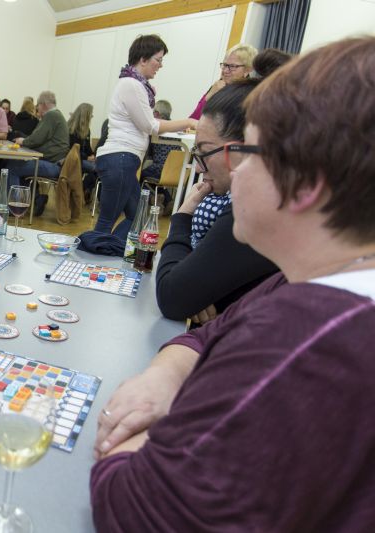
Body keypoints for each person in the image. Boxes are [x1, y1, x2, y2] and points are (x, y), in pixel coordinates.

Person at [91, 37, 375, 531]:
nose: (233, 174)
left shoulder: (306, 337)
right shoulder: (307, 282)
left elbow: (135, 505)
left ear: (306, 184)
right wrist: (166, 376)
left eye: (248, 154)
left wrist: (145, 433)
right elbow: (203, 334)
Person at [155, 80, 278, 323]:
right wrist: (197, 292)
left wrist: (182, 217)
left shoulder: (258, 209)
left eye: (205, 152)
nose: (199, 167)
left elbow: (172, 295)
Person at [93, 35, 197, 240]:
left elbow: (149, 125)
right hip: (120, 158)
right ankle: (92, 258)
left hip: (123, 159)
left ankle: (110, 250)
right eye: (158, 60)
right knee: (107, 222)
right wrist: (188, 122)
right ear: (143, 59)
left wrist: (180, 127)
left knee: (137, 216)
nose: (160, 65)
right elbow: (150, 125)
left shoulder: (134, 84)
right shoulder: (131, 85)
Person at [9, 90, 69, 215]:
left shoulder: (51, 116)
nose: (38, 109)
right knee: (21, 167)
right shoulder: (57, 116)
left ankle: (14, 208)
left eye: (38, 106)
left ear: (44, 104)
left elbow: (36, 139)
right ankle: (35, 199)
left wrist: (22, 141)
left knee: (12, 168)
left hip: (52, 165)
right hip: (56, 164)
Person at [189, 43, 257, 120]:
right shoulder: (217, 86)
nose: (225, 70)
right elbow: (193, 119)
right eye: (225, 65)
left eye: (232, 66)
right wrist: (209, 95)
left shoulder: (251, 95)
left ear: (247, 70)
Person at [67, 102, 97, 199]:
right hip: (74, 159)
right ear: (86, 115)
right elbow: (71, 149)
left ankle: (82, 189)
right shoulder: (71, 129)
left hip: (83, 159)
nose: (92, 117)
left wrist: (93, 155)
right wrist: (87, 157)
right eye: (91, 114)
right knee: (98, 170)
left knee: (101, 169)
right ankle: (81, 190)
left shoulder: (87, 130)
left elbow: (88, 148)